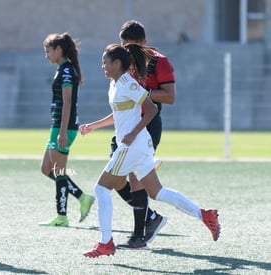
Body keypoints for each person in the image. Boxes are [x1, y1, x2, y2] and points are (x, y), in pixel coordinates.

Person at [80, 43, 220, 258]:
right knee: (157, 192)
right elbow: (118, 115)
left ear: (117, 63)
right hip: (139, 147)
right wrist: (93, 126)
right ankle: (205, 215)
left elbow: (152, 109)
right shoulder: (115, 84)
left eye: (105, 62)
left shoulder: (128, 83)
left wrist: (133, 133)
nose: (102, 66)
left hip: (132, 147)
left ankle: (105, 243)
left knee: (101, 189)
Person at [112, 20, 176, 249]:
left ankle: (138, 236)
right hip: (124, 125)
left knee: (135, 177)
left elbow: (169, 96)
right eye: (124, 44)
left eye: (133, 45)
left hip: (147, 124)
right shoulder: (122, 60)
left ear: (144, 43)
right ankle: (151, 218)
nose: (129, 49)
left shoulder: (160, 61)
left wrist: (142, 93)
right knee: (115, 179)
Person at [38, 33, 95, 227]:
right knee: (46, 169)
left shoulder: (67, 70)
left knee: (58, 171)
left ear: (58, 50)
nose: (46, 55)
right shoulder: (61, 69)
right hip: (58, 126)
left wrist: (62, 132)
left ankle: (61, 217)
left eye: (48, 50)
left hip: (64, 127)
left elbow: (68, 101)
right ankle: (82, 197)